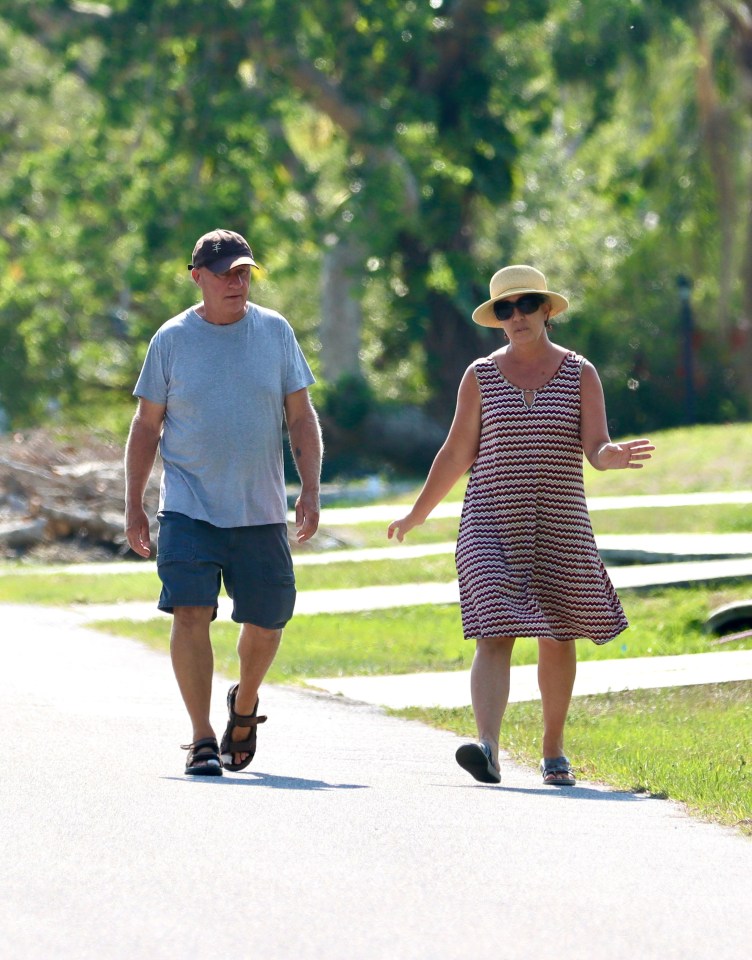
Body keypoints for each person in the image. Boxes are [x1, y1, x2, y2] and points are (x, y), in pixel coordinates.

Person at [387, 265, 653, 786]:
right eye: (505, 309)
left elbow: (595, 447)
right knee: (493, 629)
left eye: (526, 304)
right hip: (490, 522)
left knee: (559, 634)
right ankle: (487, 747)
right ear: (497, 320)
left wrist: (611, 455)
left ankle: (553, 750)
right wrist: (417, 512)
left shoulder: (581, 373)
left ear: (547, 310)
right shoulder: (480, 375)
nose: (517, 317)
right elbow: (456, 451)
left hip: (560, 522)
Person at [124, 228, 322, 776]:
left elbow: (300, 415)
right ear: (198, 278)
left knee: (269, 619)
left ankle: (244, 702)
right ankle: (202, 737)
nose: (237, 282)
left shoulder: (275, 332)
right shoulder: (171, 339)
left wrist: (309, 487)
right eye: (225, 273)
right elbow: (146, 426)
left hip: (260, 508)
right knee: (191, 611)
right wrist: (134, 503)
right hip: (188, 504)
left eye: (244, 273)